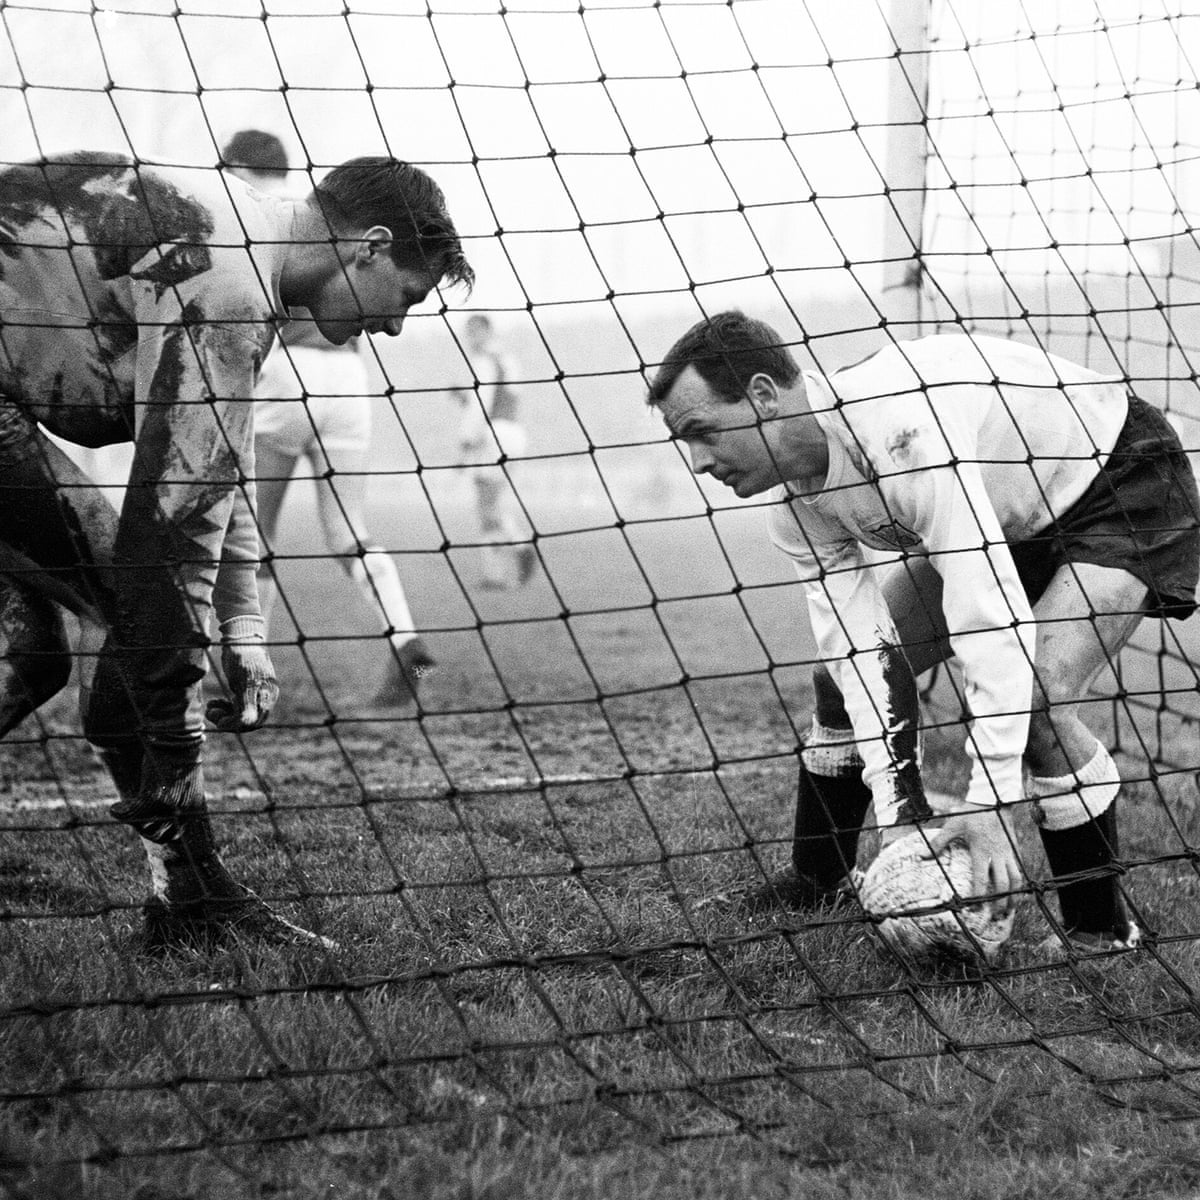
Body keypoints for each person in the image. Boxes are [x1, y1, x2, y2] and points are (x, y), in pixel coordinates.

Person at [0, 148, 473, 948]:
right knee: (133, 609)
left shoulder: (241, 240)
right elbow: (172, 531)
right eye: (407, 296)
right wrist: (174, 706)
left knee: (33, 649)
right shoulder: (234, 286)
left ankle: (189, 892)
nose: (394, 325)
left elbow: (220, 462)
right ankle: (192, 897)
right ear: (372, 245)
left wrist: (245, 631)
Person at [647, 311, 1200, 952]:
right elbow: (863, 656)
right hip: (1008, 510)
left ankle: (1100, 930)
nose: (697, 462)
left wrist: (990, 802)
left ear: (765, 395)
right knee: (837, 680)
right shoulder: (796, 512)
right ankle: (819, 880)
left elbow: (983, 615)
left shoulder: (902, 432)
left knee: (1038, 699)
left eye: (701, 432)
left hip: (1116, 479)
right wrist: (900, 815)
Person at [221, 131, 435, 708]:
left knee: (254, 534)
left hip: (285, 374)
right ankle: (405, 635)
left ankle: (249, 673)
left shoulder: (260, 219)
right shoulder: (323, 211)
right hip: (348, 380)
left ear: (237, 164)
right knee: (350, 532)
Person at [454, 313, 537, 589]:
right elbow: (504, 394)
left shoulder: (483, 361)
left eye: (475, 332)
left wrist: (466, 440)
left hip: (493, 434)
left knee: (486, 506)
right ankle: (496, 570)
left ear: (486, 332)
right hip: (514, 433)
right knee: (492, 504)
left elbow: (483, 402)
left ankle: (519, 550)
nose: (471, 339)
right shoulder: (508, 359)